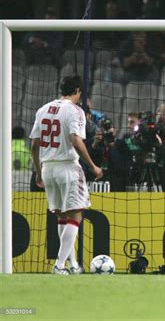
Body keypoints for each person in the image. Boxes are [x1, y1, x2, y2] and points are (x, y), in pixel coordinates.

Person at [29, 75, 103, 274]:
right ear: (78, 90)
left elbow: (34, 145)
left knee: (62, 215)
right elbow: (76, 141)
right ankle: (59, 265)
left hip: (48, 168)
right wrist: (94, 166)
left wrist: (38, 172)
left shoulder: (42, 109)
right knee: (76, 215)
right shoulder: (75, 111)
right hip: (68, 167)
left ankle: (72, 265)